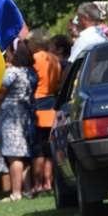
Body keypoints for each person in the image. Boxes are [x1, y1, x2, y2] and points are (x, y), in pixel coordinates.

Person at [0, 45, 35, 202]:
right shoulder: (31, 73)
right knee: (24, 154)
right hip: (26, 114)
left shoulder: (12, 72)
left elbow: (1, 89)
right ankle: (27, 189)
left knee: (14, 155)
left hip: (11, 116)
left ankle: (16, 192)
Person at [29, 34, 61, 197]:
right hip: (52, 103)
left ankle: (38, 184)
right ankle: (49, 181)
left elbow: (31, 80)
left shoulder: (34, 58)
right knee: (49, 148)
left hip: (38, 103)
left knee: (38, 149)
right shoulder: (54, 59)